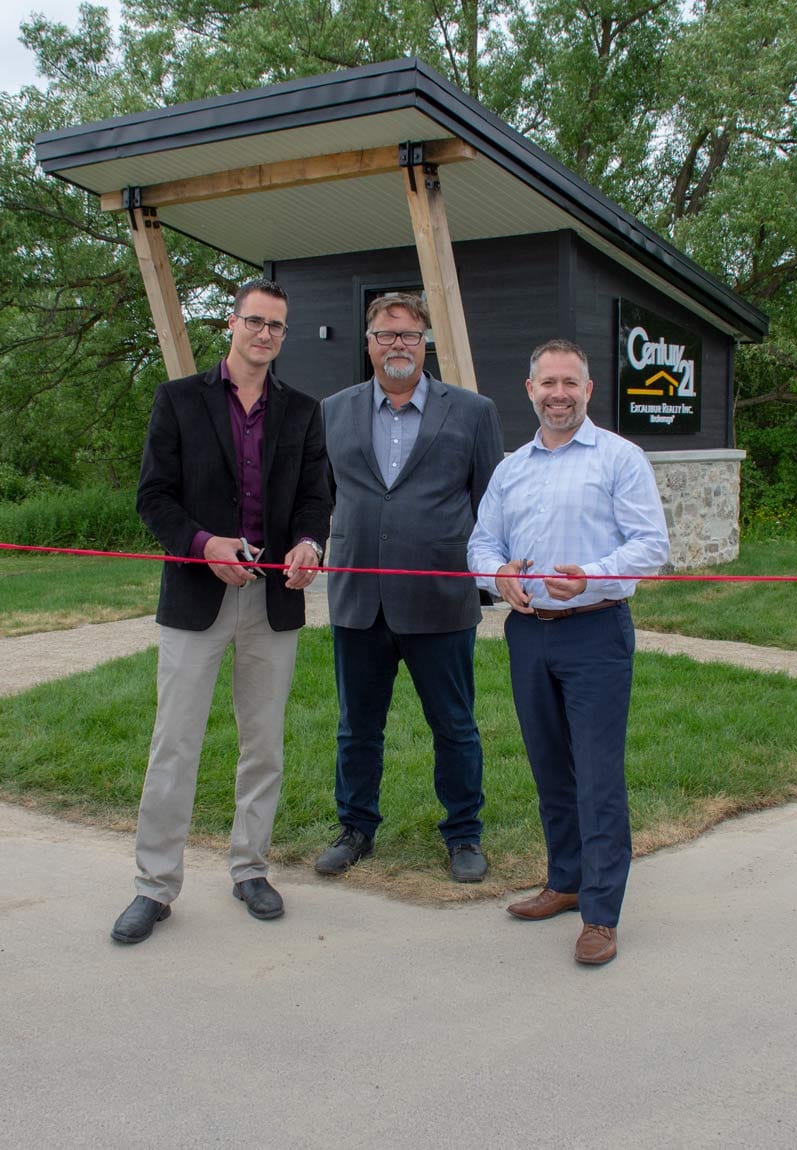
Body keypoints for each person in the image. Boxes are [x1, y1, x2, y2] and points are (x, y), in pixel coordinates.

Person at [111, 279, 331, 944]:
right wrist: (205, 546)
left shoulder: (302, 411)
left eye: (276, 327)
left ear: (284, 337)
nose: (264, 335)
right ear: (230, 325)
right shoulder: (178, 401)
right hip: (197, 598)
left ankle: (250, 869)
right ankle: (154, 887)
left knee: (263, 745)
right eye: (254, 322)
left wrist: (308, 544)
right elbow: (154, 498)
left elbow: (318, 498)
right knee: (173, 746)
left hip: (272, 601)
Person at [468, 338, 669, 963]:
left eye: (570, 383)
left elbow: (648, 545)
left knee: (598, 777)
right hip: (528, 634)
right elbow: (481, 542)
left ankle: (601, 913)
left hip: (596, 631)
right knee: (551, 768)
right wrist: (497, 576)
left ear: (589, 390)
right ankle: (565, 880)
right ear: (529, 391)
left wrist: (592, 575)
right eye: (546, 383)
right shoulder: (510, 467)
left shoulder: (620, 458)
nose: (558, 393)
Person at [316, 293, 504, 882]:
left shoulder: (473, 412)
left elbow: (492, 505)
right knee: (356, 726)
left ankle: (464, 834)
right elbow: (317, 497)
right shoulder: (332, 411)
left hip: (439, 598)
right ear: (368, 343)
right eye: (385, 333)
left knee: (454, 724)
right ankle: (355, 828)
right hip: (358, 597)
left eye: (408, 333)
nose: (397, 343)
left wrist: (494, 581)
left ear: (424, 341)